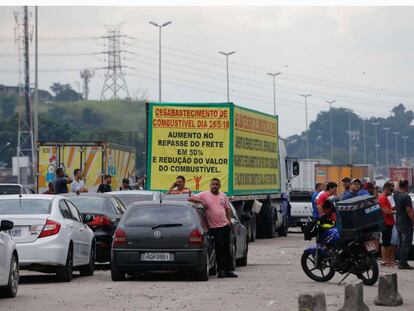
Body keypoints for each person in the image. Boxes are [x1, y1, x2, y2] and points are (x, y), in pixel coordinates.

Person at [188, 178, 237, 278]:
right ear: (210, 185)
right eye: (213, 184)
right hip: (213, 227)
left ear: (219, 186)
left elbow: (227, 209)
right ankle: (221, 271)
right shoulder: (204, 194)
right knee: (219, 249)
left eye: (216, 184)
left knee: (227, 249)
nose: (215, 186)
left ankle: (228, 270)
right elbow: (190, 198)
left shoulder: (223, 195)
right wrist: (202, 201)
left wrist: (228, 220)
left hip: (224, 225)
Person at [394, 179, 414, 269]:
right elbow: (409, 211)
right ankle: (403, 263)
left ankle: (400, 261)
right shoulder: (406, 197)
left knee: (401, 243)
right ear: (406, 186)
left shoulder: (396, 195)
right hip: (406, 223)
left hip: (398, 221)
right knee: (406, 243)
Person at [378, 182, 395, 267]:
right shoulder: (382, 198)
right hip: (386, 222)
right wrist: (396, 212)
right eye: (390, 191)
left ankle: (387, 260)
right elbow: (386, 211)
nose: (390, 193)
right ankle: (384, 261)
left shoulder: (385, 197)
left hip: (389, 222)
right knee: (385, 242)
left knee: (387, 242)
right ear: (386, 189)